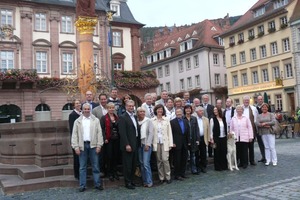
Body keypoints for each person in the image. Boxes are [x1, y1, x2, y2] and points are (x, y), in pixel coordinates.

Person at [71, 103, 104, 192]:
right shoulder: (77, 121)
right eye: (85, 109)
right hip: (82, 146)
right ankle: (82, 185)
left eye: (88, 109)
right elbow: (74, 135)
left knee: (95, 166)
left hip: (93, 145)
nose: (86, 110)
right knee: (82, 167)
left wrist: (99, 145)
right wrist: (76, 147)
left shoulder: (95, 120)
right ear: (82, 110)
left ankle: (97, 184)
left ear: (90, 110)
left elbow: (99, 133)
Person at [118, 100, 140, 189]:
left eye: (132, 106)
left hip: (135, 144)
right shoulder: (123, 117)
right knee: (127, 165)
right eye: (129, 106)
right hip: (128, 145)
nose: (131, 107)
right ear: (126, 107)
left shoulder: (134, 117)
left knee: (134, 164)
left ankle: (132, 180)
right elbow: (122, 133)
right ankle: (128, 182)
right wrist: (127, 144)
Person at [152, 104, 173, 184]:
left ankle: (168, 176)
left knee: (165, 160)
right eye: (158, 109)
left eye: (161, 109)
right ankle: (161, 177)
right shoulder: (152, 120)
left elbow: (169, 132)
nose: (160, 111)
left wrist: (170, 144)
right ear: (156, 110)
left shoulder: (166, 120)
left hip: (165, 142)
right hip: (156, 142)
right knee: (159, 160)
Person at [100, 103, 120, 182]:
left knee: (115, 156)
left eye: (112, 108)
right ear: (107, 109)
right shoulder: (104, 118)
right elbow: (102, 129)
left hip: (116, 139)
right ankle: (110, 172)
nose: (111, 109)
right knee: (109, 156)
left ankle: (115, 172)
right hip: (108, 140)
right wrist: (105, 138)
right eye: (110, 108)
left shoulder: (116, 117)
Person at [170, 108, 190, 181]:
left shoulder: (185, 121)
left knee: (184, 159)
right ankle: (177, 175)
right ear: (175, 113)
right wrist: (172, 142)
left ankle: (182, 173)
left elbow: (188, 132)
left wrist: (188, 141)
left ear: (182, 113)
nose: (179, 114)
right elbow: (171, 134)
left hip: (184, 143)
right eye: (177, 113)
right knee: (177, 160)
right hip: (176, 144)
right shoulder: (172, 122)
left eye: (180, 113)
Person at [137, 107, 154, 188]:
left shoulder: (148, 120)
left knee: (146, 163)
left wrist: (148, 144)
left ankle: (149, 181)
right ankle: (144, 181)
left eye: (143, 111)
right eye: (140, 111)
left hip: (146, 144)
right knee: (141, 163)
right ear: (138, 113)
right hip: (139, 145)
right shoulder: (136, 121)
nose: (142, 113)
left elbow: (151, 133)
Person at [238, 95, 258, 166]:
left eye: (247, 100)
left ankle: (252, 160)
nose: (246, 101)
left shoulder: (253, 108)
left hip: (251, 130)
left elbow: (256, 119)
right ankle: (243, 161)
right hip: (242, 131)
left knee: (251, 146)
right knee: (242, 147)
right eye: (245, 100)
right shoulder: (240, 108)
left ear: (249, 101)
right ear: (243, 101)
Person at [92, 93, 108, 176]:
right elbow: (93, 123)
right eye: (101, 99)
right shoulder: (95, 110)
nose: (103, 101)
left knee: (109, 153)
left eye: (104, 99)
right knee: (101, 154)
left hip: (109, 135)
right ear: (99, 100)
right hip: (99, 134)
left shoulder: (110, 108)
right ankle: (101, 170)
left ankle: (109, 170)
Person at [183, 105, 200, 175]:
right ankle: (184, 170)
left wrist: (197, 139)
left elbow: (197, 129)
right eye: (186, 109)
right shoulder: (182, 118)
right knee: (185, 155)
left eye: (189, 109)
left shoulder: (194, 118)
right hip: (185, 140)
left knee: (193, 155)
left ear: (191, 110)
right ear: (184, 110)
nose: (188, 110)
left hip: (193, 139)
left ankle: (194, 169)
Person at [68, 99, 81, 179]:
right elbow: (72, 129)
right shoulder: (72, 115)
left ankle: (81, 174)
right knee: (76, 158)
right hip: (76, 139)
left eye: (79, 103)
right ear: (74, 105)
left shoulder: (81, 113)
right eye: (76, 103)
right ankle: (77, 174)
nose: (78, 104)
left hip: (82, 138)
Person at [195, 106, 210, 173]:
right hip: (196, 139)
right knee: (197, 153)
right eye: (200, 111)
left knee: (203, 154)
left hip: (204, 138)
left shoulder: (206, 119)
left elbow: (208, 130)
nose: (202, 112)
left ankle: (203, 167)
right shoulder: (194, 119)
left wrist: (208, 139)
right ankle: (197, 167)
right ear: (197, 112)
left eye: (202, 111)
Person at [256, 95, 270, 163]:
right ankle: (263, 156)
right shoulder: (255, 108)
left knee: (267, 143)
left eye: (261, 99)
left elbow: (269, 116)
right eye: (259, 99)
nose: (260, 100)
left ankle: (268, 157)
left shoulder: (266, 107)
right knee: (260, 143)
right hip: (259, 128)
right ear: (257, 100)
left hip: (266, 128)